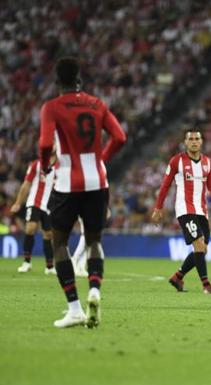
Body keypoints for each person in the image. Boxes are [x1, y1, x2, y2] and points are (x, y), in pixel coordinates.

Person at [39, 57, 127, 328]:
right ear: (79, 79)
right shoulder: (97, 104)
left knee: (60, 243)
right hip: (97, 182)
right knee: (93, 241)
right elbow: (120, 137)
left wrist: (45, 166)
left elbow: (44, 144)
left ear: (57, 83)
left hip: (67, 182)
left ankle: (75, 308)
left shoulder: (52, 107)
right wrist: (100, 159)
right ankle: (95, 290)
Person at [152, 128, 211, 294]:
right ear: (185, 142)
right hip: (185, 209)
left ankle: (178, 276)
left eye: (196, 139)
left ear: (201, 142)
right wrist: (158, 208)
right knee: (199, 245)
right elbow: (165, 185)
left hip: (202, 210)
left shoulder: (207, 162)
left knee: (202, 249)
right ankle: (206, 284)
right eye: (190, 139)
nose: (194, 141)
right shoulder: (176, 161)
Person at [10, 155, 57, 275]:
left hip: (48, 206)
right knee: (30, 228)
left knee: (48, 234)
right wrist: (18, 203)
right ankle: (26, 262)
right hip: (34, 202)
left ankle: (50, 266)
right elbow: (26, 184)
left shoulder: (61, 167)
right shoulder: (36, 164)